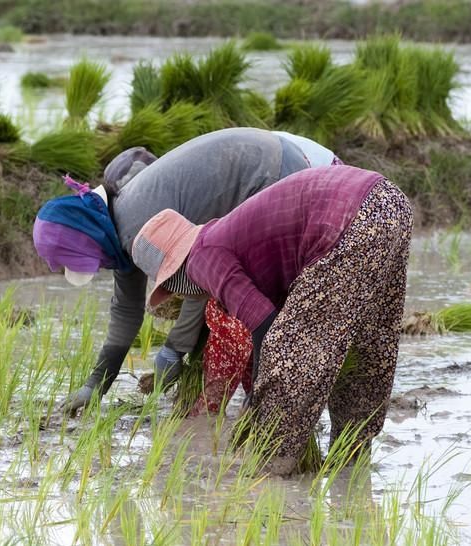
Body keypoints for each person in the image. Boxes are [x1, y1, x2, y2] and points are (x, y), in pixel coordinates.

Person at [130, 165, 413, 475]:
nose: (181, 295)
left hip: (345, 217)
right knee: (367, 344)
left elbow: (265, 326)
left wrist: (257, 400)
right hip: (389, 203)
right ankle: (351, 460)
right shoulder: (228, 235)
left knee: (290, 351)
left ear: (176, 272)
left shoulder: (201, 256)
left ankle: (272, 470)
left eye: (172, 287)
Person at [33, 128, 311, 415]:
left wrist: (174, 348)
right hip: (268, 157)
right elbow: (126, 311)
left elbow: (200, 280)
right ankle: (251, 405)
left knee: (241, 304)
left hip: (269, 173)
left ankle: (270, 408)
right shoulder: (116, 227)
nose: (99, 266)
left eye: (87, 260)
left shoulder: (136, 227)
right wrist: (95, 385)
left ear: (86, 240)